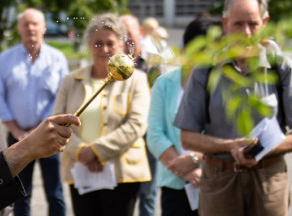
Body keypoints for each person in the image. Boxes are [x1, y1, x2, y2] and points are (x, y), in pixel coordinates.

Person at [174, 0, 292, 215]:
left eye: (253, 24)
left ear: (264, 23)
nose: (246, 33)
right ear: (225, 24)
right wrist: (230, 146)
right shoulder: (206, 70)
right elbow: (187, 137)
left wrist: (260, 149)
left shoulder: (281, 68)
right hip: (220, 181)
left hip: (269, 180)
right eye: (238, 24)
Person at [53, 13, 151, 216]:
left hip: (123, 173)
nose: (104, 49)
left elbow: (137, 124)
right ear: (89, 44)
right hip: (80, 170)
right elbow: (57, 126)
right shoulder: (70, 81)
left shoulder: (137, 80)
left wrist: (97, 151)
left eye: (110, 43)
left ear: (121, 45)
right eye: (98, 43)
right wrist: (80, 151)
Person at [0, 8, 69, 216]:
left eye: (35, 24)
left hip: (50, 134)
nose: (30, 28)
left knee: (55, 192)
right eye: (26, 24)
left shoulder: (57, 59)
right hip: (17, 137)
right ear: (19, 29)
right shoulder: (5, 59)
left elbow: (62, 97)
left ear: (44, 28)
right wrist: (16, 130)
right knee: (19, 193)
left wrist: (41, 129)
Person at [147, 14, 222, 216]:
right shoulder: (164, 84)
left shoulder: (223, 85)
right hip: (174, 182)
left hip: (216, 180)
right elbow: (154, 134)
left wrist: (195, 160)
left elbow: (227, 134)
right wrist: (184, 169)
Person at [0, 114, 81, 216]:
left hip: (45, 134)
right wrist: (26, 147)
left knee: (54, 193)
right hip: (18, 135)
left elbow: (2, 206)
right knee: (24, 197)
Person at [120, 14, 158, 216]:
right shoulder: (113, 66)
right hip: (120, 136)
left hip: (148, 135)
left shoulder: (153, 64)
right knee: (122, 195)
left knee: (148, 194)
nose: (126, 38)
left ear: (140, 33)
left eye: (129, 32)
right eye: (121, 33)